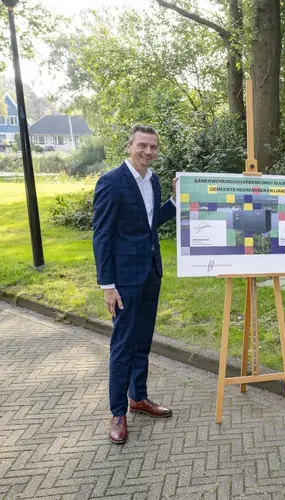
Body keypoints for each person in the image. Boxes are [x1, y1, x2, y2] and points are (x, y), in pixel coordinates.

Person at [92, 124, 177, 444]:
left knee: (143, 341)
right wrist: (107, 285)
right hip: (124, 279)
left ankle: (138, 398)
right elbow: (101, 236)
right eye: (142, 145)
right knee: (123, 345)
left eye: (153, 147)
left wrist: (174, 199)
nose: (148, 152)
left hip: (151, 273)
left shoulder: (152, 180)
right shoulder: (111, 182)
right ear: (129, 146)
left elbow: (151, 222)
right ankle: (117, 413)